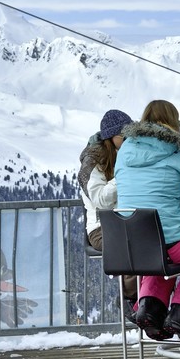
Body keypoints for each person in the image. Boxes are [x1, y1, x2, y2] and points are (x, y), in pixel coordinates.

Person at [115, 100, 180, 342]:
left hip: (131, 243)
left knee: (158, 256)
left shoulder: (126, 148)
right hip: (169, 242)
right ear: (174, 122)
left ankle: (149, 309)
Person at [78, 109, 137, 314]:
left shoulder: (122, 154)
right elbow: (100, 199)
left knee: (152, 241)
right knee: (135, 247)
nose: (129, 139)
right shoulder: (93, 161)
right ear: (112, 137)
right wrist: (123, 176)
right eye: (125, 135)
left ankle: (149, 300)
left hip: (124, 222)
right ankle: (130, 298)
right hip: (100, 228)